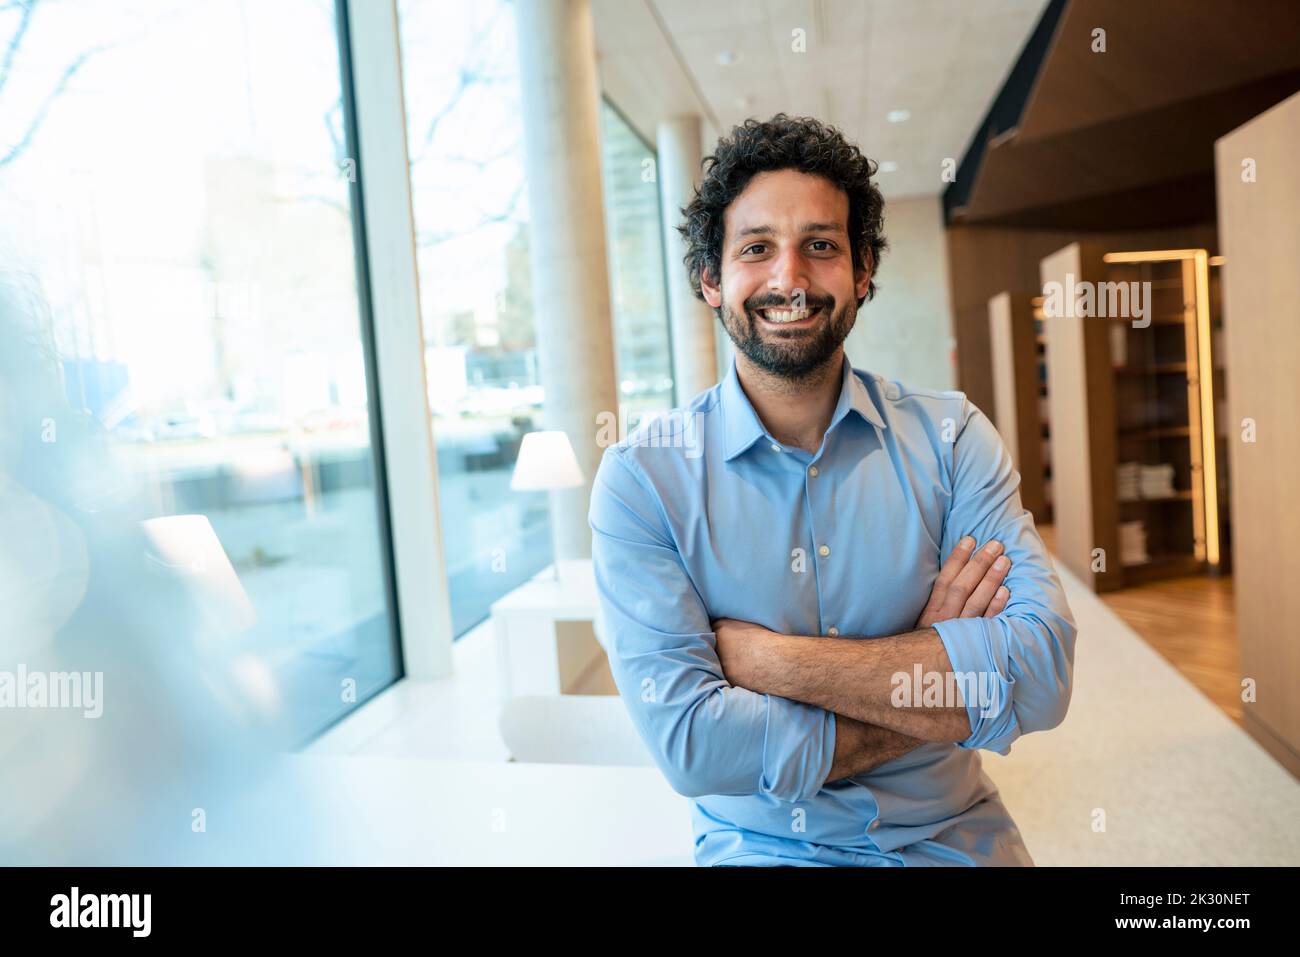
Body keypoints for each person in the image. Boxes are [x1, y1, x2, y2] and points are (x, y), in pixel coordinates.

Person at [588, 114, 1077, 866]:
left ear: (862, 271)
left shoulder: (952, 438)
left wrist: (770, 662)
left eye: (821, 245)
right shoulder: (643, 480)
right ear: (711, 280)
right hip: (761, 846)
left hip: (953, 837)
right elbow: (694, 746)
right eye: (757, 248)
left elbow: (1039, 673)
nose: (789, 278)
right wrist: (930, 671)